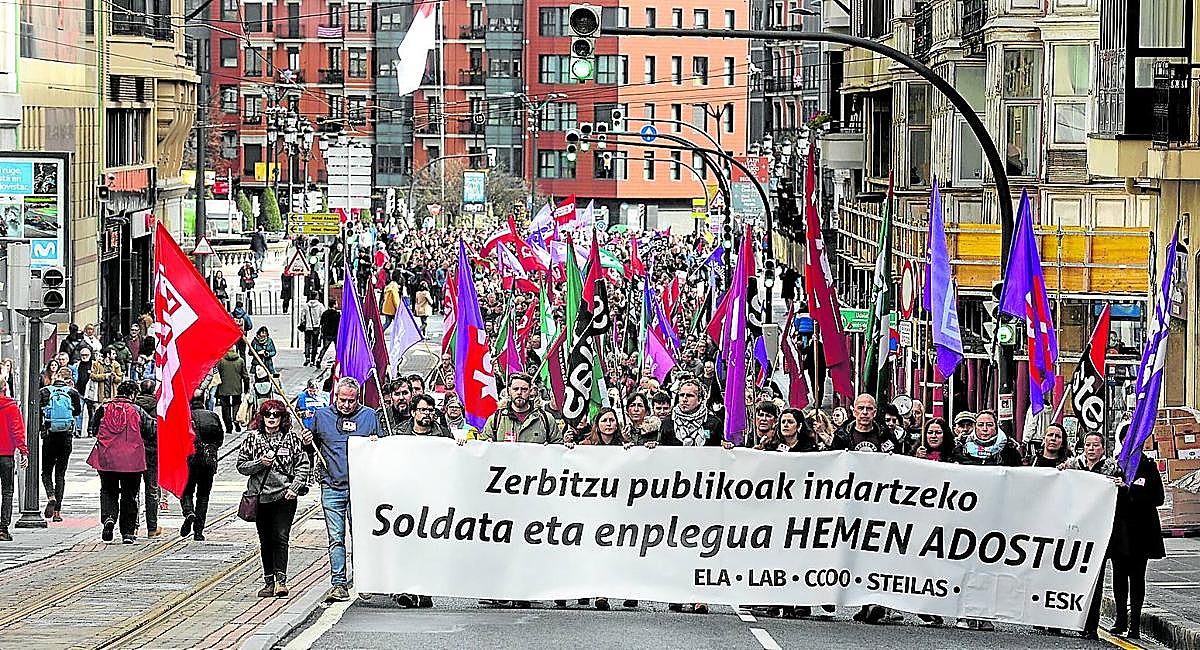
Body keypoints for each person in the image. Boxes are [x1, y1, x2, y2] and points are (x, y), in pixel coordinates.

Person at [300, 377, 381, 603]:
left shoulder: (369, 416)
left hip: (361, 487)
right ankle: (338, 583)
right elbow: (308, 447)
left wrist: (376, 443)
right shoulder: (321, 416)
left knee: (361, 536)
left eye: (351, 401)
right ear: (335, 396)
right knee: (336, 537)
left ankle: (364, 580)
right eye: (342, 400)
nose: (346, 405)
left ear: (358, 399)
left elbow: (382, 450)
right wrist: (306, 440)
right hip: (332, 485)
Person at [832, 394, 898, 624]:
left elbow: (898, 461)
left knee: (875, 550)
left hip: (879, 502)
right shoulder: (842, 435)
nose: (865, 412)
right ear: (853, 410)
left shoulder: (884, 435)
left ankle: (873, 601)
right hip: (851, 502)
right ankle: (855, 599)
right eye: (861, 408)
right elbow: (832, 462)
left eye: (869, 408)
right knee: (852, 550)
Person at [238, 399, 311, 598]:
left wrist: (294, 487)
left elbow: (303, 464)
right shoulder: (252, 439)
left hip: (284, 496)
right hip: (260, 498)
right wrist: (259, 463)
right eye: (268, 414)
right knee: (265, 540)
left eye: (276, 414)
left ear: (282, 418)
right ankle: (268, 580)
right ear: (261, 417)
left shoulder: (291, 439)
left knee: (281, 537)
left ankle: (281, 581)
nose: (272, 418)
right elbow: (241, 466)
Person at [1061, 432, 1123, 640]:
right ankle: (1058, 620)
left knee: (1094, 581)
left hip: (1098, 533)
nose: (1091, 449)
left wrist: (1119, 486)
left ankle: (1090, 626)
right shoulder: (1073, 466)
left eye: (1096, 445)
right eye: (1088, 445)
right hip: (1075, 531)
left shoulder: (1112, 469)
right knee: (1066, 575)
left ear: (1103, 449)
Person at [87, 381, 154, 544]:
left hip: (107, 458)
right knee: (129, 495)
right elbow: (151, 430)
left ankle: (109, 518)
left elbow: (93, 429)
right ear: (133, 395)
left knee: (108, 491)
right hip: (132, 460)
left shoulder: (103, 408)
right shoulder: (137, 410)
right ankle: (128, 532)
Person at [1109, 451, 1165, 640]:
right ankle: (1120, 619)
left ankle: (1135, 625)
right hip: (1119, 531)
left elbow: (1158, 498)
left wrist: (1130, 489)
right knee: (1118, 577)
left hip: (1142, 531)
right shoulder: (1114, 465)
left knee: (1137, 578)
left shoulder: (1148, 466)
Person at [39, 369, 83, 522]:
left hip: (50, 436)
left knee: (46, 471)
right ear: (68, 380)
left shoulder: (44, 392)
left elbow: (37, 412)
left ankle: (51, 496)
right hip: (66, 436)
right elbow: (77, 412)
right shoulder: (72, 392)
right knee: (60, 474)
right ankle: (57, 512)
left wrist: (42, 429)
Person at [181, 390, 224, 541]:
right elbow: (220, 439)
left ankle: (188, 512)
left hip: (190, 459)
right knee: (203, 495)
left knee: (186, 491)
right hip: (209, 460)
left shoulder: (186, 417)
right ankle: (198, 531)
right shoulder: (213, 416)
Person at [481, 373, 562, 444]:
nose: (519, 392)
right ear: (509, 391)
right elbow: (481, 447)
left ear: (530, 391)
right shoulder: (496, 419)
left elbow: (558, 446)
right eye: (515, 389)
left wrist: (552, 447)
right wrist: (486, 444)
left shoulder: (546, 419)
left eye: (524, 389)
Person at [654, 379, 726, 448]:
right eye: (682, 395)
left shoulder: (713, 423)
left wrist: (725, 445)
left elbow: (720, 449)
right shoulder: (668, 422)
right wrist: (654, 446)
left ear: (699, 399)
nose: (684, 399)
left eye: (690, 396)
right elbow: (661, 449)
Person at [133, 379, 162, 537]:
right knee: (152, 489)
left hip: (135, 451)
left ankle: (133, 526)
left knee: (133, 490)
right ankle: (152, 527)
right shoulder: (159, 406)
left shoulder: (133, 407)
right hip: (153, 451)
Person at [0, 382, 28, 541]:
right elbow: (17, 431)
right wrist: (23, 451)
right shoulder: (11, 407)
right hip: (6, 455)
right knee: (7, 491)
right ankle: (3, 528)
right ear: (4, 388)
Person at [955, 410, 1022, 466]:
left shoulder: (1009, 450)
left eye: (989, 425)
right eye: (980, 425)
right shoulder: (961, 449)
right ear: (975, 428)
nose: (985, 429)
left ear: (996, 428)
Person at [216, 348, 249, 434]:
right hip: (237, 388)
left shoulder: (221, 361)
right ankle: (236, 420)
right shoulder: (240, 361)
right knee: (236, 404)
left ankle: (228, 426)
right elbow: (245, 376)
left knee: (225, 407)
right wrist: (246, 387)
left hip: (223, 388)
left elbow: (217, 375)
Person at [299, 294, 326, 367]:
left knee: (307, 343)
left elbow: (302, 317)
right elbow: (323, 316)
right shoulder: (320, 306)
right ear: (317, 296)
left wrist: (304, 323)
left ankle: (307, 358)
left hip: (308, 327)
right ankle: (312, 360)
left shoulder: (306, 306)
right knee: (314, 344)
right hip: (316, 327)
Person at [73, 345, 95, 435]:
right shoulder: (76, 365)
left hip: (90, 392)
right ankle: (78, 430)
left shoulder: (94, 364)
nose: (84, 356)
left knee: (92, 412)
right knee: (79, 412)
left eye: (86, 354)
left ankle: (90, 430)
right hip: (79, 392)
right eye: (83, 355)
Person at [317, 302, 341, 367]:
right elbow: (340, 324)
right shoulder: (337, 314)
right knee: (337, 348)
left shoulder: (325, 313)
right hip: (335, 333)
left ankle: (319, 359)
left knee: (325, 347)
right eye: (336, 303)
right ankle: (338, 361)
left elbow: (321, 323)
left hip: (327, 333)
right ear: (334, 305)